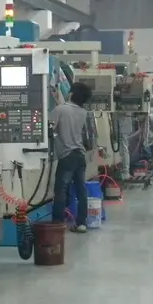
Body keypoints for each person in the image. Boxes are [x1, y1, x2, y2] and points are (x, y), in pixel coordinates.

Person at [50, 82, 93, 233]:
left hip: (67, 156)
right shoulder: (83, 112)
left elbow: (48, 128)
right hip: (80, 155)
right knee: (81, 191)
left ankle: (57, 224)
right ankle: (81, 223)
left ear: (71, 94)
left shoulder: (60, 109)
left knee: (60, 190)